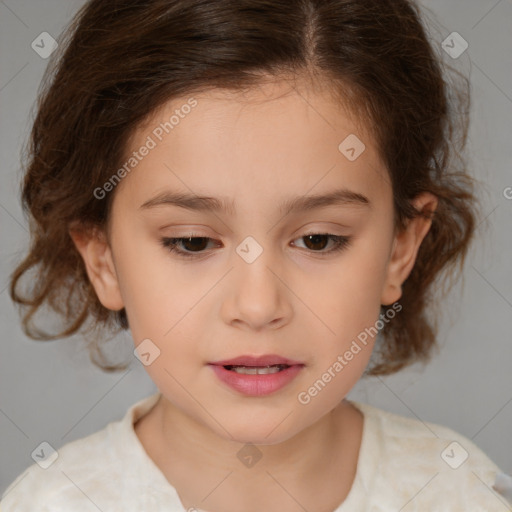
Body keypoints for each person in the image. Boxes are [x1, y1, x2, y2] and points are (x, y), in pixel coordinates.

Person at [2, 0, 511, 510]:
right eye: (193, 242)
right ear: (102, 259)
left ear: (401, 248)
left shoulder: (461, 493)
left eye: (318, 240)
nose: (257, 305)